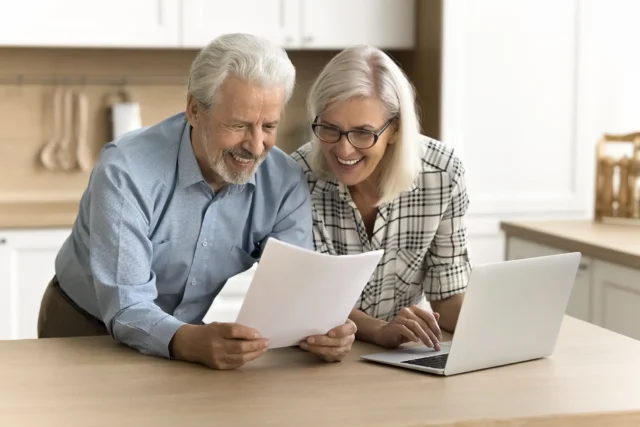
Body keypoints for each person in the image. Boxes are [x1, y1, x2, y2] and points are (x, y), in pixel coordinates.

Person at [37, 33, 356, 369]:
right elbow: (126, 306)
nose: (256, 145)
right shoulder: (127, 171)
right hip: (84, 329)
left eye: (269, 126)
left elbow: (296, 291)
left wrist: (324, 330)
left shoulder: (284, 182)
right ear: (194, 110)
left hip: (185, 339)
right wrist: (189, 341)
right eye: (238, 125)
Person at [291, 45, 471, 352]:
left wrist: (499, 323)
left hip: (399, 356)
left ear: (396, 130)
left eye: (363, 133)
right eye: (330, 129)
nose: (344, 150)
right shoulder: (297, 177)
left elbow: (447, 295)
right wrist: (379, 331)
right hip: (319, 355)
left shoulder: (443, 173)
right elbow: (312, 297)